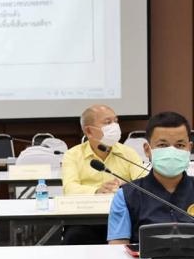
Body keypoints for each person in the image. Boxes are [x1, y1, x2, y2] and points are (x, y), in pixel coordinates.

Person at [62, 104, 147, 244]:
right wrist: (97, 191)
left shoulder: (128, 153)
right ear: (89, 131)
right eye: (108, 122)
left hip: (124, 216)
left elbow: (144, 183)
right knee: (75, 237)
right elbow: (69, 188)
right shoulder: (73, 155)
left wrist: (124, 186)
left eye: (116, 121)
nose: (115, 126)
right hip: (87, 218)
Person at [108, 111, 194, 244]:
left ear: (189, 148)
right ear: (147, 150)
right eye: (162, 145)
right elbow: (117, 247)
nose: (172, 151)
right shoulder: (125, 196)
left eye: (180, 145)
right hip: (143, 258)